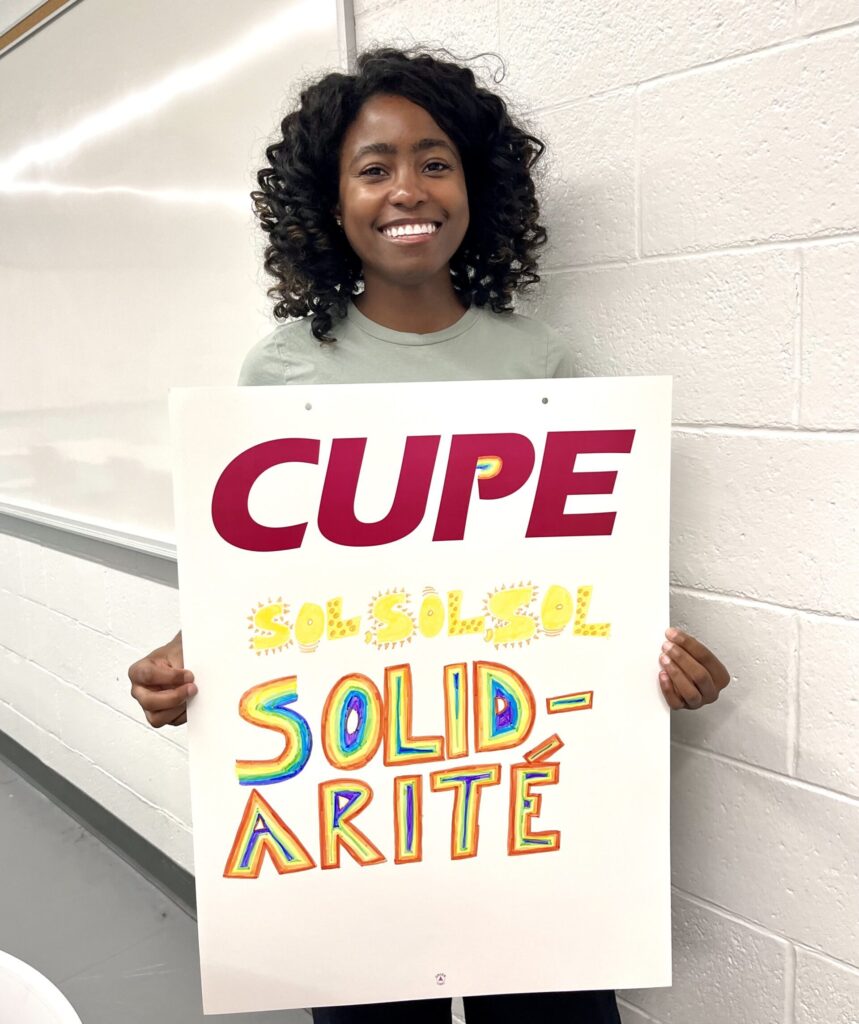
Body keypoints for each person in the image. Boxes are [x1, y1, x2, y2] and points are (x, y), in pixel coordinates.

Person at [128, 47, 731, 1024]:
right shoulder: (282, 372)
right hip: (365, 804)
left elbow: (575, 588)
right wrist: (193, 661)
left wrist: (652, 659)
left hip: (516, 791)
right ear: (331, 203)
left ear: (474, 185)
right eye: (373, 167)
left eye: (434, 160)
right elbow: (272, 589)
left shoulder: (541, 364)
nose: (406, 188)